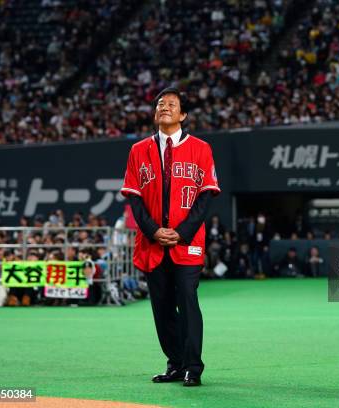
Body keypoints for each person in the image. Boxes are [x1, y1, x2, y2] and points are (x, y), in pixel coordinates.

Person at [121, 87, 220, 386]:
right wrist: (153, 231)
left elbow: (205, 198)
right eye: (160, 104)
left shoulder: (201, 148)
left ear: (183, 114)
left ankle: (193, 366)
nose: (165, 107)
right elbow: (134, 199)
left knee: (187, 302)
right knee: (161, 306)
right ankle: (175, 362)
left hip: (186, 243)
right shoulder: (138, 150)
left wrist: (181, 233)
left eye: (172, 104)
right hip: (153, 243)